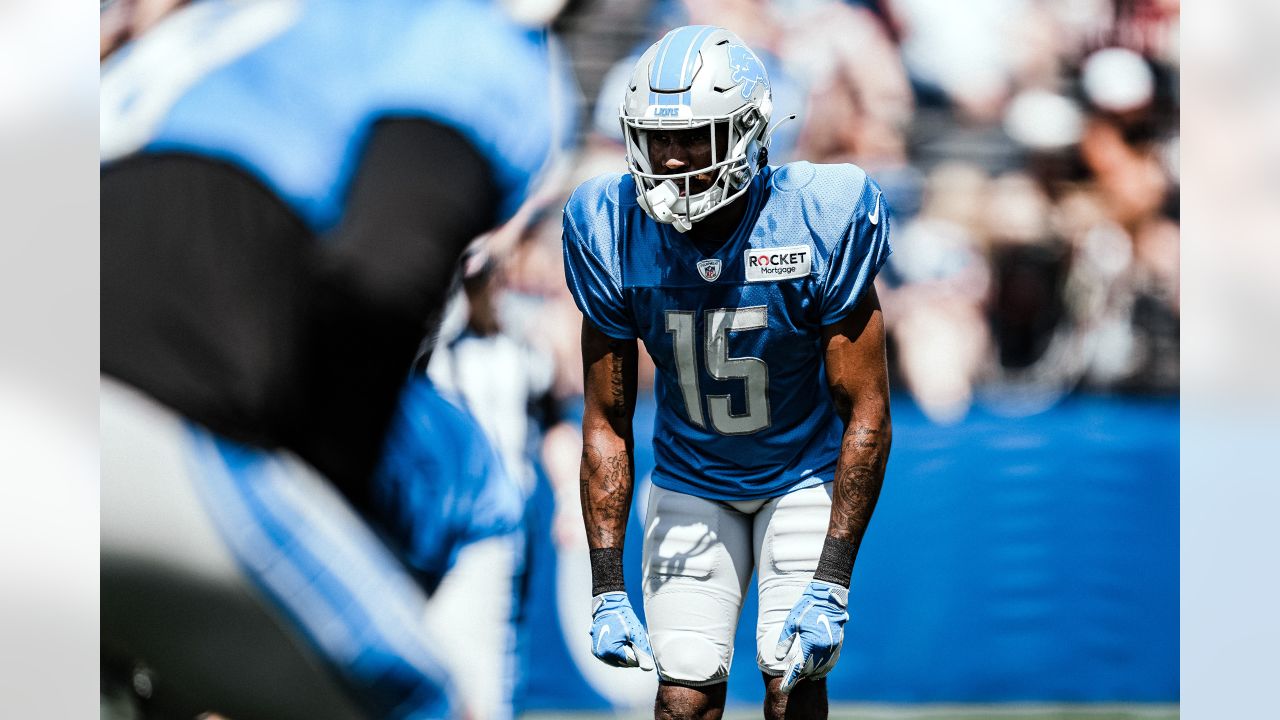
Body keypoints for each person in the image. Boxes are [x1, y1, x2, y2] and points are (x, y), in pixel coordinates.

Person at [100, 0, 561, 717]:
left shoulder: (214, 34)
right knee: (424, 698)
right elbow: (382, 277)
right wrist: (324, 504)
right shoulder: (458, 37)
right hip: (129, 412)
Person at [561, 25, 893, 720]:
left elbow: (865, 409)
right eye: (657, 138)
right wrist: (604, 587)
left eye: (695, 138)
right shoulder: (609, 226)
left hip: (801, 475)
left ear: (745, 134)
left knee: (790, 679)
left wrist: (832, 578)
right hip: (691, 477)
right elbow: (606, 420)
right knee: (682, 693)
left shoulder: (817, 217)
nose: (673, 158)